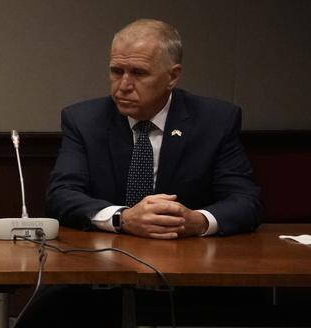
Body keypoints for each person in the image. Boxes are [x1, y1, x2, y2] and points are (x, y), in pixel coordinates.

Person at [46, 18, 262, 238]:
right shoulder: (84, 121)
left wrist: (197, 221)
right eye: (116, 71)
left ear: (173, 76)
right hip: (107, 254)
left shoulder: (214, 120)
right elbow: (61, 195)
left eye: (139, 73)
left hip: (187, 255)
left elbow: (245, 201)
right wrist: (123, 218)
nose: (123, 86)